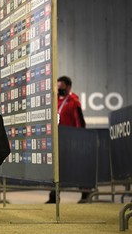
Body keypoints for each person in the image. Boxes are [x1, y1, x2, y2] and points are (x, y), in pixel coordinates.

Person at [46, 75, 86, 204]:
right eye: (58, 88)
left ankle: (85, 194)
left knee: (78, 168)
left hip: (71, 141)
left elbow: (80, 122)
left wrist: (79, 140)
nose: (60, 90)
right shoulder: (55, 100)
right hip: (58, 141)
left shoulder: (74, 102)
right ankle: (53, 196)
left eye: (62, 88)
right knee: (57, 169)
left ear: (68, 87)